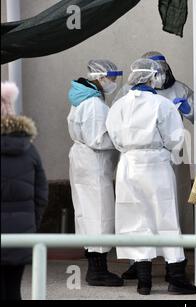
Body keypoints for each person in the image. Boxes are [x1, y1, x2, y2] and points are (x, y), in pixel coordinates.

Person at [106, 58, 196, 296]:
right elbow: (175, 139)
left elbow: (114, 138)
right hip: (156, 164)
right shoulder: (162, 105)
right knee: (165, 217)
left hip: (128, 165)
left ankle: (143, 281)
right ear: (152, 77)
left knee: (136, 219)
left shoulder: (119, 105)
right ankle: (176, 278)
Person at [67, 59, 123, 287]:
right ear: (99, 78)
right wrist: (123, 138)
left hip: (83, 162)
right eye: (111, 77)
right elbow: (98, 138)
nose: (114, 82)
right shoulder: (94, 105)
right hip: (93, 164)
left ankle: (95, 268)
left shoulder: (82, 99)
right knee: (99, 214)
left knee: (87, 214)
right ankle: (98, 272)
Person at [1, 81, 48, 300]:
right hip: (20, 232)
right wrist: (30, 225)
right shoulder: (29, 149)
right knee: (13, 290)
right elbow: (41, 194)